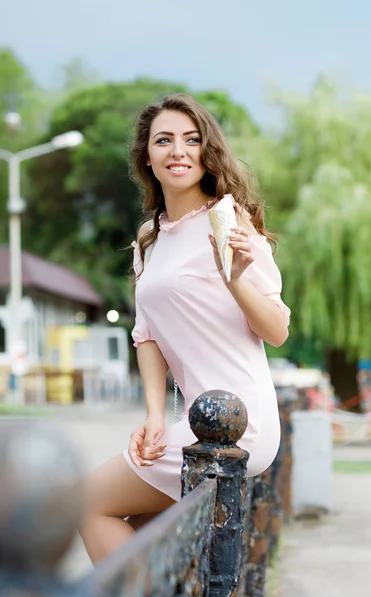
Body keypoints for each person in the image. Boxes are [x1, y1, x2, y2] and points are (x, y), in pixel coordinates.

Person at [79, 94, 290, 564]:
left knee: (90, 501)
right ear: (147, 157)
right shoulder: (149, 240)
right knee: (150, 541)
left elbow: (276, 330)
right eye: (164, 140)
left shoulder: (228, 221)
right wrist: (154, 414)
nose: (179, 150)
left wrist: (233, 278)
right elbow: (146, 333)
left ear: (206, 152)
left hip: (237, 423)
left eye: (192, 140)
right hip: (191, 424)